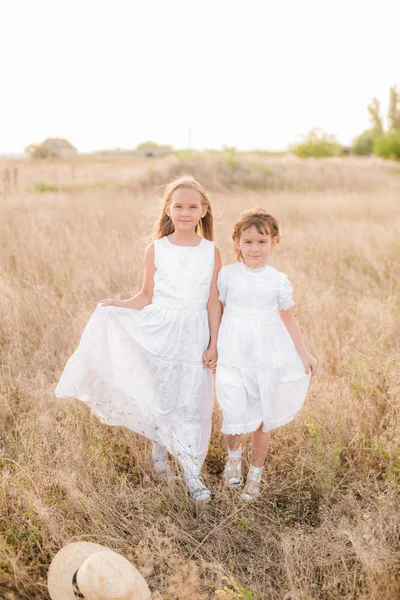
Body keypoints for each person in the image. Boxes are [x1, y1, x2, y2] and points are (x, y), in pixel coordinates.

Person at [56, 175, 222, 503]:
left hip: (194, 333)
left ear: (203, 211)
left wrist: (214, 343)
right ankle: (161, 458)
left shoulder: (211, 251)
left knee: (193, 401)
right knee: (163, 395)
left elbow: (213, 300)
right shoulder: (156, 249)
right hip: (160, 330)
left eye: (192, 206)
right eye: (179, 206)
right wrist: (118, 306)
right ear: (168, 210)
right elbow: (146, 295)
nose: (185, 212)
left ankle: (191, 472)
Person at [216, 208, 317, 502]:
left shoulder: (277, 280)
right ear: (236, 242)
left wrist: (304, 353)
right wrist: (211, 347)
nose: (254, 248)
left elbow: (287, 318)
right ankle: (234, 457)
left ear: (274, 242)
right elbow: (218, 312)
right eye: (248, 242)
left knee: (262, 417)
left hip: (266, 353)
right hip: (233, 351)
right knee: (232, 409)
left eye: (262, 241)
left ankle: (255, 476)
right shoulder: (227, 275)